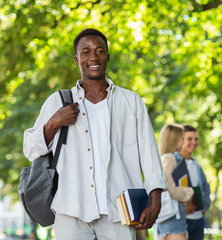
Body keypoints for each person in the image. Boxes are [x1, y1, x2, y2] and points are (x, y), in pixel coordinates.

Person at [23, 28, 167, 240]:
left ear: (107, 56)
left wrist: (156, 199)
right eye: (86, 52)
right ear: (76, 59)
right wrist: (54, 123)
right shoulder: (58, 101)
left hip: (119, 210)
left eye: (99, 51)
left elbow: (149, 154)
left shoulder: (131, 102)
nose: (93, 57)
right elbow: (29, 149)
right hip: (71, 209)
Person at [155, 124, 194, 240]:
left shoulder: (160, 159)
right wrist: (188, 193)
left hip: (163, 218)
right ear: (174, 139)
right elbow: (170, 189)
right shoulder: (170, 158)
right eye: (182, 139)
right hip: (173, 218)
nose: (183, 142)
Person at [174, 125, 211, 240]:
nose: (194, 142)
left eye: (196, 139)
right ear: (181, 139)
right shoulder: (172, 162)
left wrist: (204, 206)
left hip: (198, 220)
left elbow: (205, 188)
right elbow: (168, 191)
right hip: (181, 220)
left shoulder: (196, 165)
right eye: (189, 139)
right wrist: (182, 207)